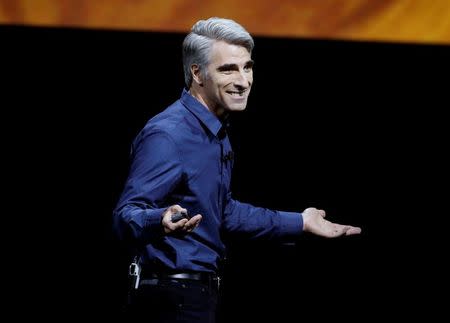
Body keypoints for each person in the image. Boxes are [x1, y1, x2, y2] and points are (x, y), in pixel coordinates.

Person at [113, 17, 361, 322]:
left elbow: (223, 212)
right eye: (228, 69)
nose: (243, 80)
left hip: (194, 296)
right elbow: (126, 215)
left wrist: (301, 222)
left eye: (248, 67)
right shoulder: (169, 135)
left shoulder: (212, 133)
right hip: (168, 299)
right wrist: (158, 219)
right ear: (197, 73)